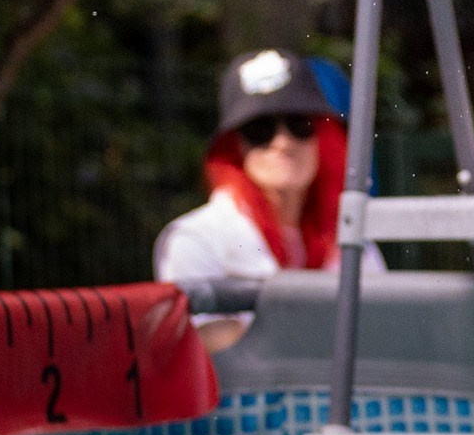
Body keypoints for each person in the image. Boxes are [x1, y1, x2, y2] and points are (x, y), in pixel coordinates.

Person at [154, 48, 373, 350]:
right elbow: (211, 347)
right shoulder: (194, 239)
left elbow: (384, 330)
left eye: (300, 124)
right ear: (234, 147)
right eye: (259, 130)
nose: (283, 142)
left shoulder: (349, 237)